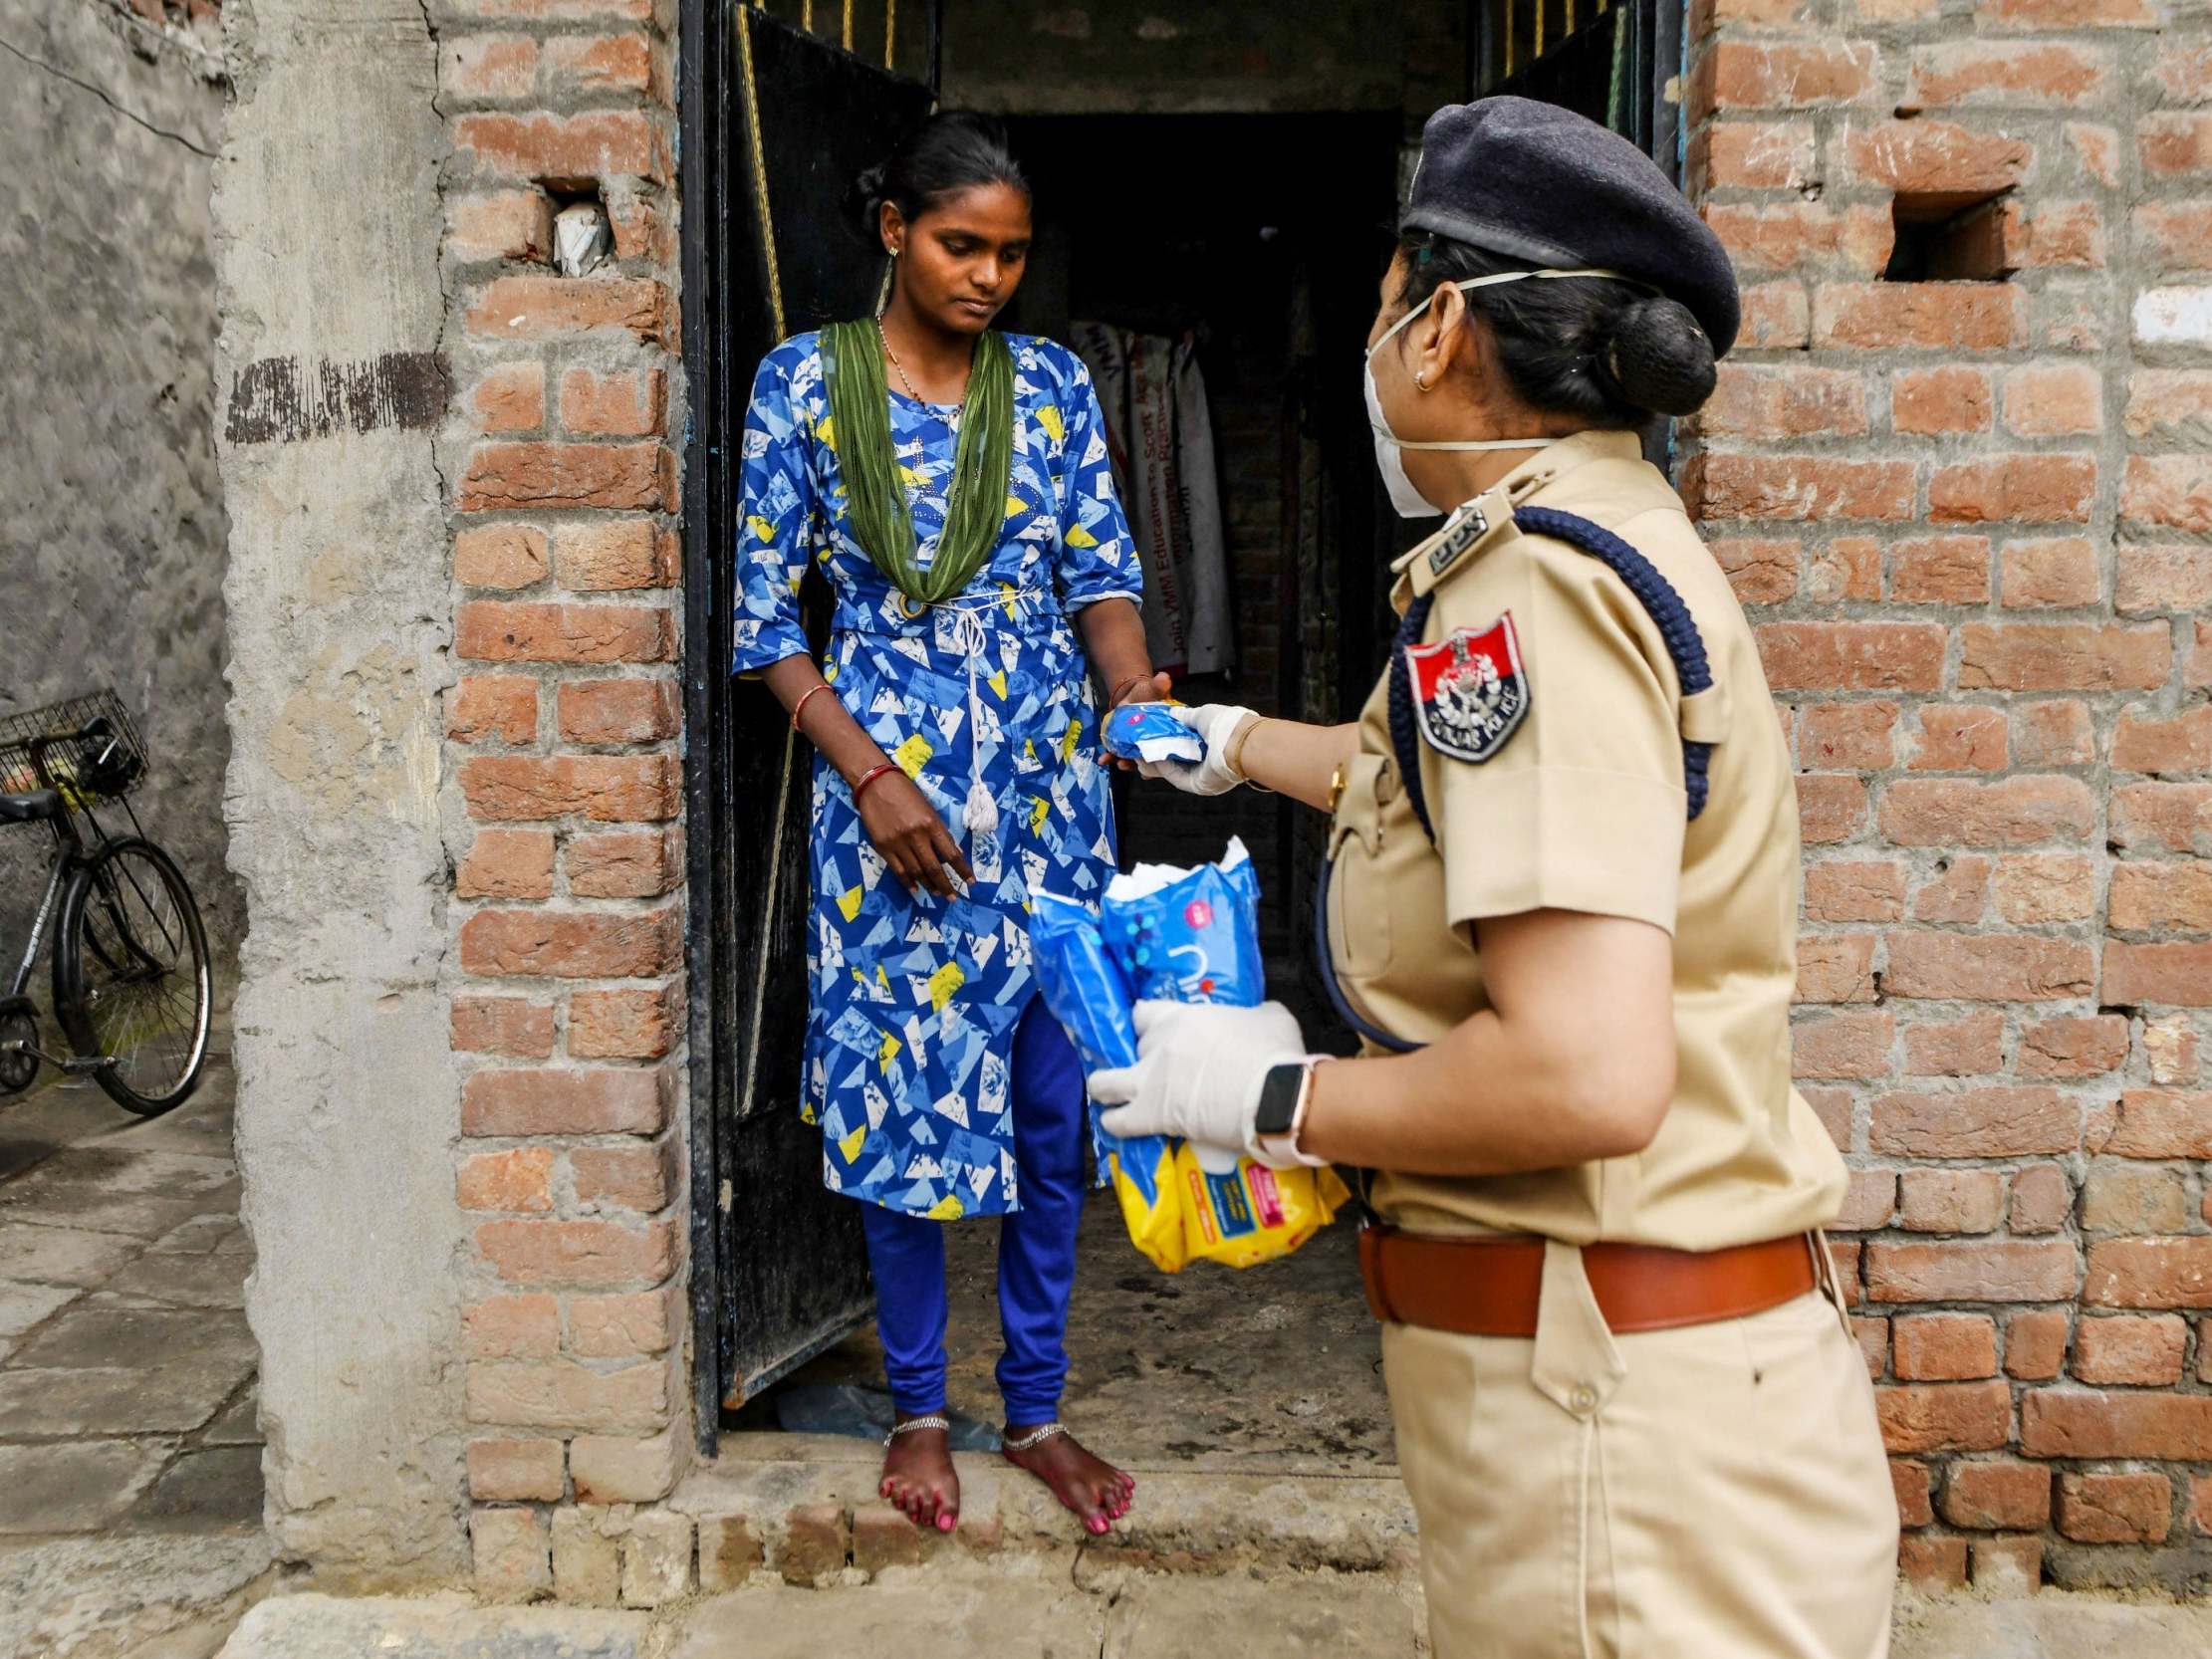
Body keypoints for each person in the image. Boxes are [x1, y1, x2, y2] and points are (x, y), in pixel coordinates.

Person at [1092, 98, 1897, 1659]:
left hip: (1620, 1452)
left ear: (1440, 322)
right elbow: (1457, 797)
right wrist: (1242, 741)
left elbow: (1583, 1071)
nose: (1376, 341)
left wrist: (1272, 1101)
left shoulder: (1523, 589)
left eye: (1386, 304)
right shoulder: (1595, 535)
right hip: (1628, 1414)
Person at [731, 111, 1162, 1539]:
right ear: (893, 231)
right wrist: (870, 773)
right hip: (891, 808)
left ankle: (1032, 1403)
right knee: (906, 1106)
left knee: (1053, 1109)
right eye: (960, 244)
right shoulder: (803, 386)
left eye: (1011, 254)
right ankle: (919, 1400)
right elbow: (762, 633)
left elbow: (1099, 568)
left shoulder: (1047, 387)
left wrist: (1130, 691)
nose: (987, 276)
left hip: (1049, 798)